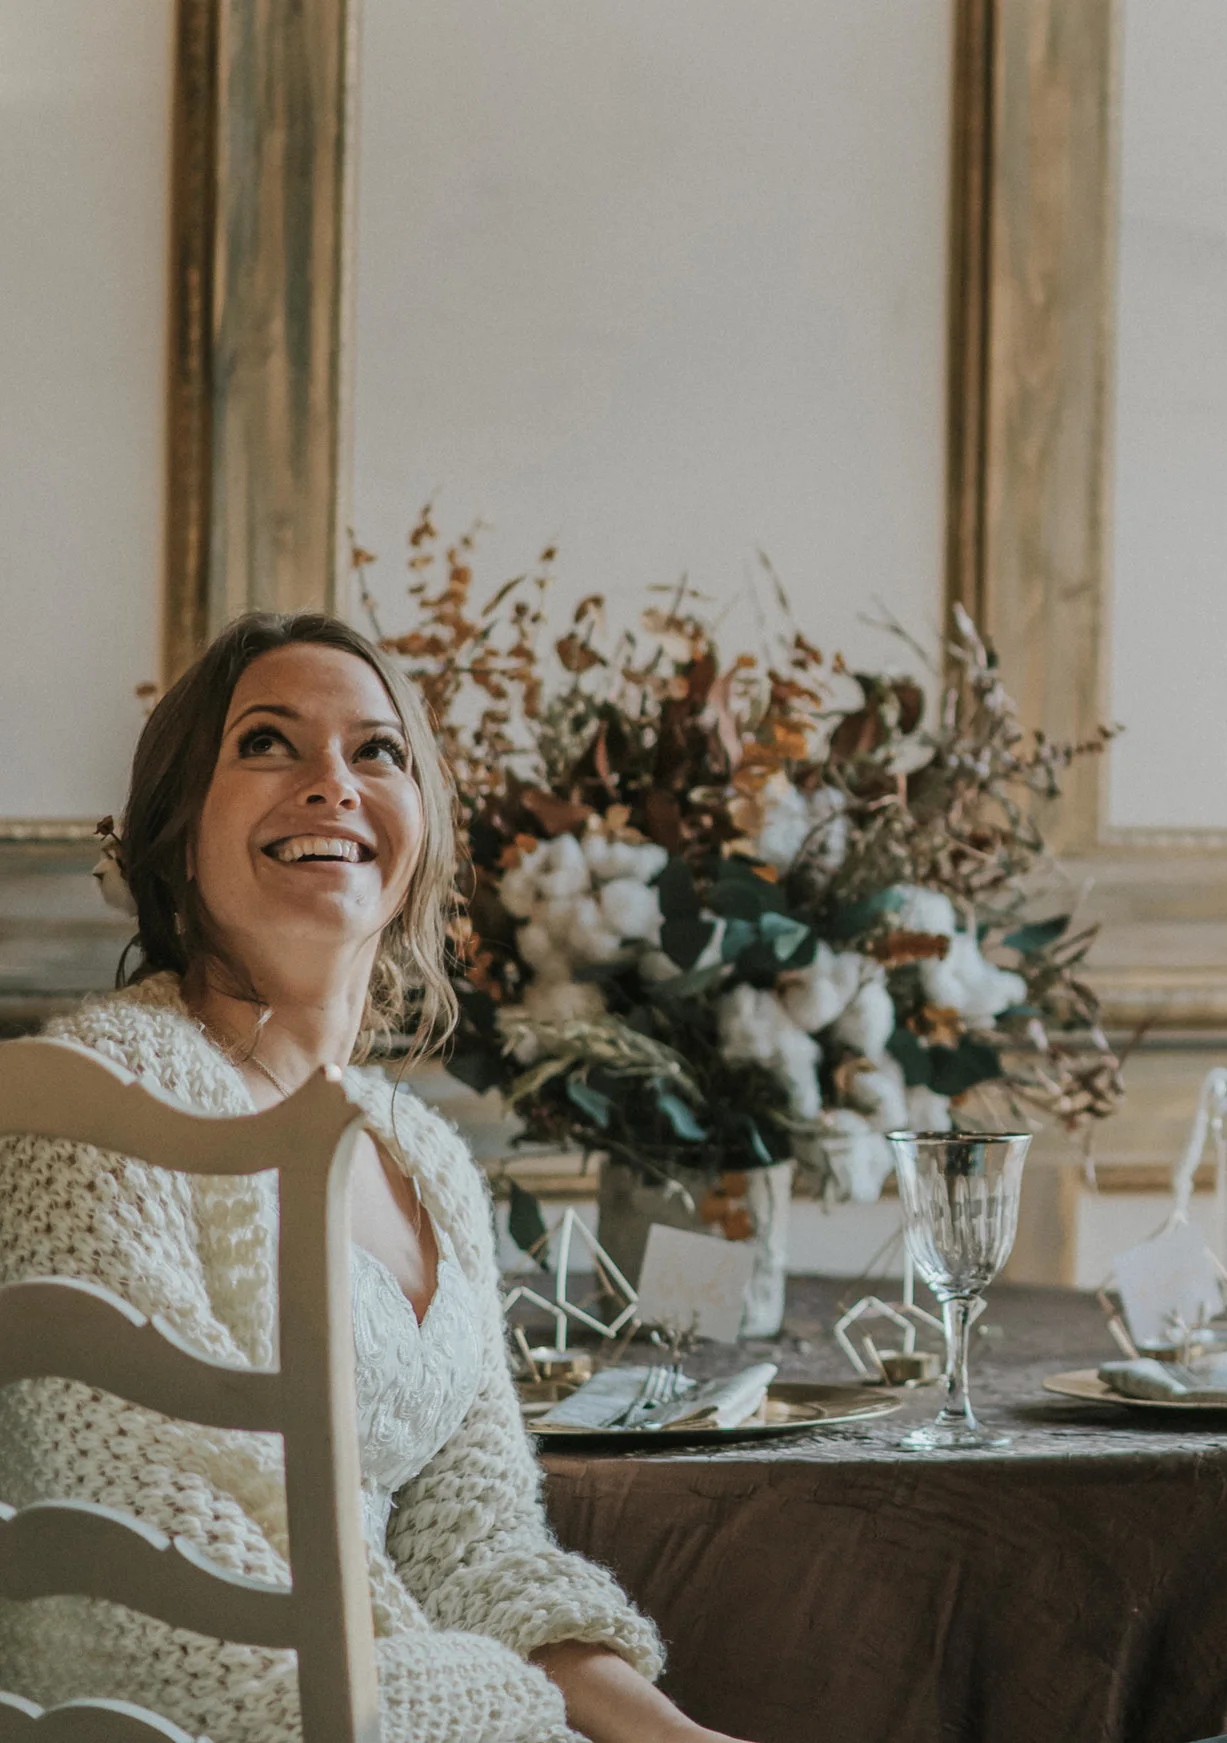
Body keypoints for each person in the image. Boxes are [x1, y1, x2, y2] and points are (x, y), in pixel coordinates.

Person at [0, 613, 750, 1742]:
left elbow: (480, 1549)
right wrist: (531, 1708)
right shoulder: (93, 1110)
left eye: (377, 751)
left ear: (423, 839)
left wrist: (676, 1737)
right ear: (176, 833)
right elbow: (175, 1616)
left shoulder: (425, 1157)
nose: (332, 784)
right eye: (266, 742)